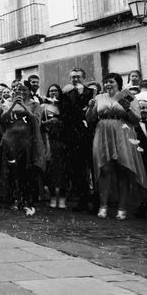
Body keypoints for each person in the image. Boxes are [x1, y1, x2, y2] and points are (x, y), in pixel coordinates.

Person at [86, 73, 147, 220]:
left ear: (118, 83)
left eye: (111, 82)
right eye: (106, 82)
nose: (108, 84)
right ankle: (103, 206)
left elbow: (136, 119)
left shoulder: (126, 96)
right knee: (104, 169)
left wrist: (128, 108)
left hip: (122, 132)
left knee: (123, 169)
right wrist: (90, 108)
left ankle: (122, 208)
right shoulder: (99, 97)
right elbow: (90, 118)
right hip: (103, 132)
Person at [0, 82, 46, 215]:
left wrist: (24, 106)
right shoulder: (8, 103)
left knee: (27, 170)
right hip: (11, 139)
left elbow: (36, 120)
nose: (21, 92)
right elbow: (3, 119)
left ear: (29, 91)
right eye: (18, 89)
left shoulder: (35, 104)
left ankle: (27, 199)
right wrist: (13, 105)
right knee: (13, 170)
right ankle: (15, 198)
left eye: (24, 90)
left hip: (27, 140)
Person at [61, 68, 95, 212]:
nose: (75, 80)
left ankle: (96, 201)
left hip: (90, 134)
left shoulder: (92, 92)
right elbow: (65, 114)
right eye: (72, 77)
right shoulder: (67, 94)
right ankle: (83, 200)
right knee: (78, 169)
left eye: (78, 77)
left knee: (93, 167)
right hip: (74, 136)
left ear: (84, 77)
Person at [42, 84, 68, 209]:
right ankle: (52, 196)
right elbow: (39, 123)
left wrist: (59, 121)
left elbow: (69, 120)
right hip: (49, 139)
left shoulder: (64, 105)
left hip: (62, 139)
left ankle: (62, 197)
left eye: (56, 90)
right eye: (51, 90)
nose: (53, 93)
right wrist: (46, 123)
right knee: (51, 168)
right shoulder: (44, 107)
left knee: (63, 169)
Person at [134, 99, 147, 218]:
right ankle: (143, 205)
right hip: (139, 157)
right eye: (142, 108)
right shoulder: (132, 124)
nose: (145, 110)